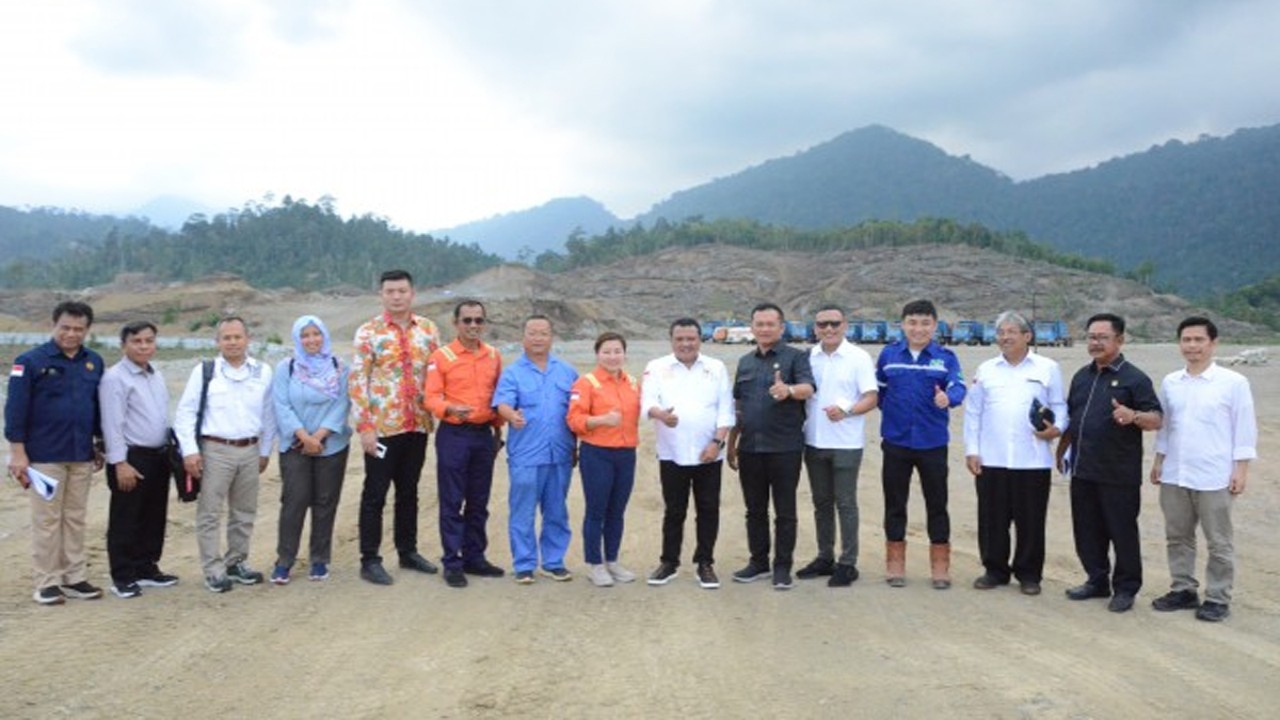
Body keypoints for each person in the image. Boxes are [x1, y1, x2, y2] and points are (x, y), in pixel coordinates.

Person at [1149, 317, 1256, 622]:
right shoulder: (1171, 382)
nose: (1192, 346)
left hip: (1214, 475)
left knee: (1219, 540)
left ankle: (1217, 597)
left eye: (1199, 340)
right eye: (1186, 340)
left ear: (1213, 343)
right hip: (1175, 473)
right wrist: (1159, 461)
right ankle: (1183, 588)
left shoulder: (1233, 383)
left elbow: (1244, 430)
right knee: (1178, 536)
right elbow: (1167, 427)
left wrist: (1241, 470)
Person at [1057, 312, 1162, 613]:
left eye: (1103, 337)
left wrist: (1134, 416)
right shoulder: (1081, 376)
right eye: (1091, 337)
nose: (1095, 342)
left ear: (1119, 339)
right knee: (1087, 529)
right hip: (1083, 468)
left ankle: (1126, 588)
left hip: (1118, 473)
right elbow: (1073, 418)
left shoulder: (1135, 378)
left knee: (1122, 531)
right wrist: (1060, 445)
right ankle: (1097, 579)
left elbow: (1156, 419)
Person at [5, 301, 106, 605]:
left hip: (81, 455)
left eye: (78, 329)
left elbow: (97, 408)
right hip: (44, 458)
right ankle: (47, 581)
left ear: (87, 330)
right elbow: (15, 411)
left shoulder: (94, 362)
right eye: (65, 327)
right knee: (47, 520)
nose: (71, 334)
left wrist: (99, 444)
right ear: (53, 325)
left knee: (75, 518)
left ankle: (74, 577)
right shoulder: (30, 362)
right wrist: (17, 454)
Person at [963, 312, 1066, 596]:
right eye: (1000, 333)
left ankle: (1029, 574)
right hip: (992, 457)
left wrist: (1056, 429)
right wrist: (972, 450)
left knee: (1031, 519)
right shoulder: (986, 369)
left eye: (1011, 332)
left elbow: (1059, 404)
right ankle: (994, 570)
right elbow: (974, 413)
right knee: (992, 518)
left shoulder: (1047, 367)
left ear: (1027, 336)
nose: (1005, 337)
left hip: (1032, 458)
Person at [349, 269, 441, 585]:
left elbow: (437, 373)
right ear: (382, 295)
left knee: (409, 491)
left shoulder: (428, 330)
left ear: (412, 293)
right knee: (375, 493)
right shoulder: (368, 332)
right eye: (390, 291)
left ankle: (408, 551)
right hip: (383, 428)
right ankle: (370, 559)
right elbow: (358, 381)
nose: (397, 296)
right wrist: (365, 427)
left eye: (402, 290)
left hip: (417, 424)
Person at [174, 316, 278, 593]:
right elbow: (185, 413)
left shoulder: (263, 371)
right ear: (217, 342)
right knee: (210, 512)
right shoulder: (205, 371)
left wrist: (265, 450)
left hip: (250, 449)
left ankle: (236, 562)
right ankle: (213, 569)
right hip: (215, 450)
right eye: (226, 338)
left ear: (248, 339)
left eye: (237, 337)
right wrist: (190, 452)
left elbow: (268, 415)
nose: (232, 342)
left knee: (244, 511)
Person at [875, 299, 965, 589]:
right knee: (895, 503)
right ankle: (895, 563)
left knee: (937, 504)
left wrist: (947, 399)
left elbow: (959, 387)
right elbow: (878, 392)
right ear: (902, 325)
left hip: (932, 443)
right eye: (912, 323)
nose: (918, 329)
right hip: (896, 442)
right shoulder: (889, 355)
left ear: (935, 326)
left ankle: (940, 566)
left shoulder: (945, 357)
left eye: (925, 323)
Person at [727, 303, 815, 591]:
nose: (764, 329)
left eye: (770, 324)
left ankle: (782, 566)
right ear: (752, 327)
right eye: (759, 324)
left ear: (781, 327)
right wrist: (732, 443)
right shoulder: (745, 362)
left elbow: (808, 389)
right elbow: (738, 405)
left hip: (784, 448)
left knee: (785, 511)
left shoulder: (796, 357)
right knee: (754, 510)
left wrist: (788, 390)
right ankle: (758, 561)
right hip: (750, 448)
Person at [641, 318, 734, 589]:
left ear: (699, 340)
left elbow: (725, 409)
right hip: (672, 452)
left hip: (709, 452)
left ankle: (705, 563)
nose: (685, 344)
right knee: (674, 510)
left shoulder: (715, 368)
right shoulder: (656, 367)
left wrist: (717, 442)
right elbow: (648, 401)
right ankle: (669, 562)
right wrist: (659, 414)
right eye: (680, 339)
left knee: (708, 509)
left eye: (690, 339)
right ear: (672, 341)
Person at [424, 299, 505, 589]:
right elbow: (430, 397)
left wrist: (497, 433)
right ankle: (453, 561)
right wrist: (448, 409)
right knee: (452, 500)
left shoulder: (494, 356)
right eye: (467, 320)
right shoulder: (441, 357)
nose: (473, 326)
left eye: (478, 320)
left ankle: (475, 557)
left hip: (484, 436)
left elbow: (498, 396)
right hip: (454, 435)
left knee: (479, 500)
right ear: (455, 323)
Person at [796, 305, 878, 588]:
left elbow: (871, 397)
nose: (828, 329)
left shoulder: (858, 358)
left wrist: (848, 412)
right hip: (814, 440)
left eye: (834, 323)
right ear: (815, 328)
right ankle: (824, 556)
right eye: (822, 324)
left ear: (845, 325)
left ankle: (848, 562)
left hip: (846, 443)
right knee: (821, 503)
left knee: (845, 502)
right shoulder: (808, 357)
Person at [494, 315, 579, 585]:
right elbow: (502, 403)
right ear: (523, 337)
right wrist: (511, 416)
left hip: (560, 453)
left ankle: (554, 562)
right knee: (523, 510)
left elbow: (577, 411)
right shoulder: (513, 373)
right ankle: (524, 564)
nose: (538, 338)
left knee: (556, 509)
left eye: (543, 333)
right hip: (526, 455)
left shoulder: (567, 372)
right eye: (532, 333)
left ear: (551, 337)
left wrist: (577, 447)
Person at [269, 315, 351, 585]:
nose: (311, 340)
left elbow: (342, 404)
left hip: (332, 444)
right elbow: (281, 405)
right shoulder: (287, 368)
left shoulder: (340, 367)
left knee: (326, 502)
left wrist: (320, 435)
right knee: (294, 501)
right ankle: (284, 561)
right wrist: (304, 437)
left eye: (316, 334)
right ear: (297, 339)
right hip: (296, 445)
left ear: (324, 336)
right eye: (305, 335)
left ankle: (319, 559)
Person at [99, 320, 178, 599]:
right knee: (126, 517)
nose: (144, 346)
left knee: (154, 515)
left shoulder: (155, 375)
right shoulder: (115, 378)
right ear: (124, 345)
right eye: (137, 341)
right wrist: (120, 463)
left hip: (158, 456)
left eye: (149, 340)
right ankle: (122, 575)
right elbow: (112, 424)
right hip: (131, 458)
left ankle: (146, 568)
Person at [568, 331, 641, 587]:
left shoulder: (632, 382)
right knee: (596, 510)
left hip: (626, 454)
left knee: (617, 511)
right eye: (607, 352)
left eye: (617, 351)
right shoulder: (586, 383)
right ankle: (594, 564)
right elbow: (574, 420)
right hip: (597, 454)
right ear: (597, 354)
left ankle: (612, 560)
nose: (613, 356)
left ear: (625, 353)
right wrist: (600, 420)